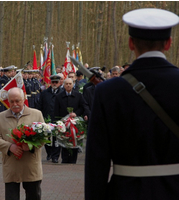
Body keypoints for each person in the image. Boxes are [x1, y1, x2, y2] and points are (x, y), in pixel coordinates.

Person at [85, 8, 179, 200]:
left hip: (126, 192)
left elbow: (97, 162)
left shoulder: (107, 91)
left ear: (130, 43)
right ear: (169, 43)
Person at [0, 87, 44, 200]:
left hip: (30, 165)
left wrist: (30, 146)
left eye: (18, 101)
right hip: (11, 165)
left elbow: (44, 137)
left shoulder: (36, 114)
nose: (15, 104)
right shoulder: (0, 117)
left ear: (24, 98)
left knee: (34, 196)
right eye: (11, 101)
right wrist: (10, 147)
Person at [54, 78, 90, 163]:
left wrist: (76, 114)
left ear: (73, 84)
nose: (68, 85)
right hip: (63, 124)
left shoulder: (78, 95)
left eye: (70, 83)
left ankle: (73, 160)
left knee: (74, 141)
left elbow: (83, 106)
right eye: (66, 84)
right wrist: (57, 122)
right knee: (64, 141)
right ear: (64, 85)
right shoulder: (59, 96)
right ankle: (65, 160)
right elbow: (56, 110)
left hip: (75, 124)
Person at [36, 75, 63, 163]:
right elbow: (40, 105)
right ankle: (49, 153)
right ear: (50, 83)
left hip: (58, 119)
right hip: (46, 118)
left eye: (56, 82)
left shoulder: (62, 92)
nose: (54, 84)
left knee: (56, 139)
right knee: (47, 138)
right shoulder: (44, 93)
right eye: (53, 82)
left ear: (59, 83)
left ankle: (55, 156)